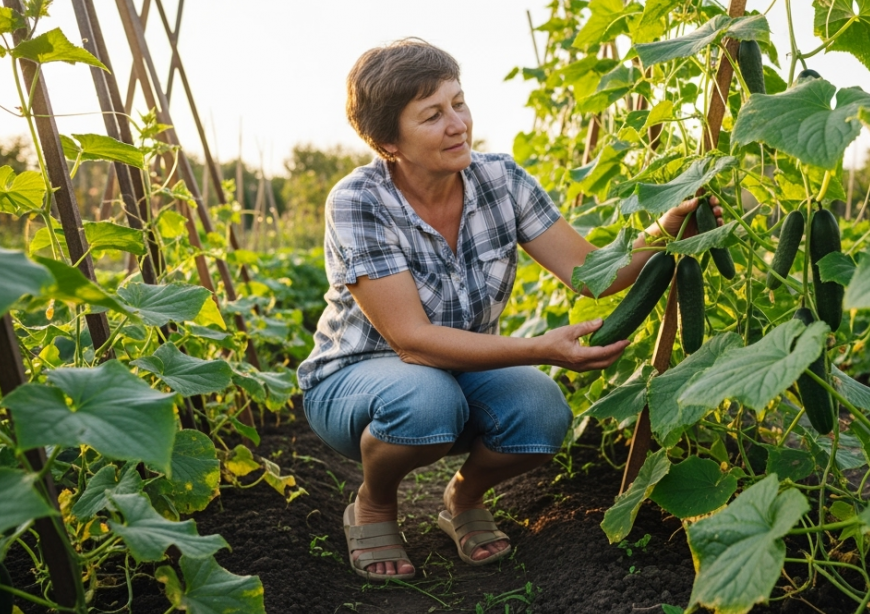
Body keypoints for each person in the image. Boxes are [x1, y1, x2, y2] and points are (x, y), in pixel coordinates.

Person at [297, 38, 720, 580]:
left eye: (459, 102)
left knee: (542, 413)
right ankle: (374, 502)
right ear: (388, 142)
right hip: (355, 379)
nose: (458, 124)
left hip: (461, 373)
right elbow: (412, 340)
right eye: (432, 115)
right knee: (427, 400)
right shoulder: (359, 200)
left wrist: (666, 228)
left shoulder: (501, 180)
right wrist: (541, 349)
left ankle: (464, 499)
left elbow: (593, 273)